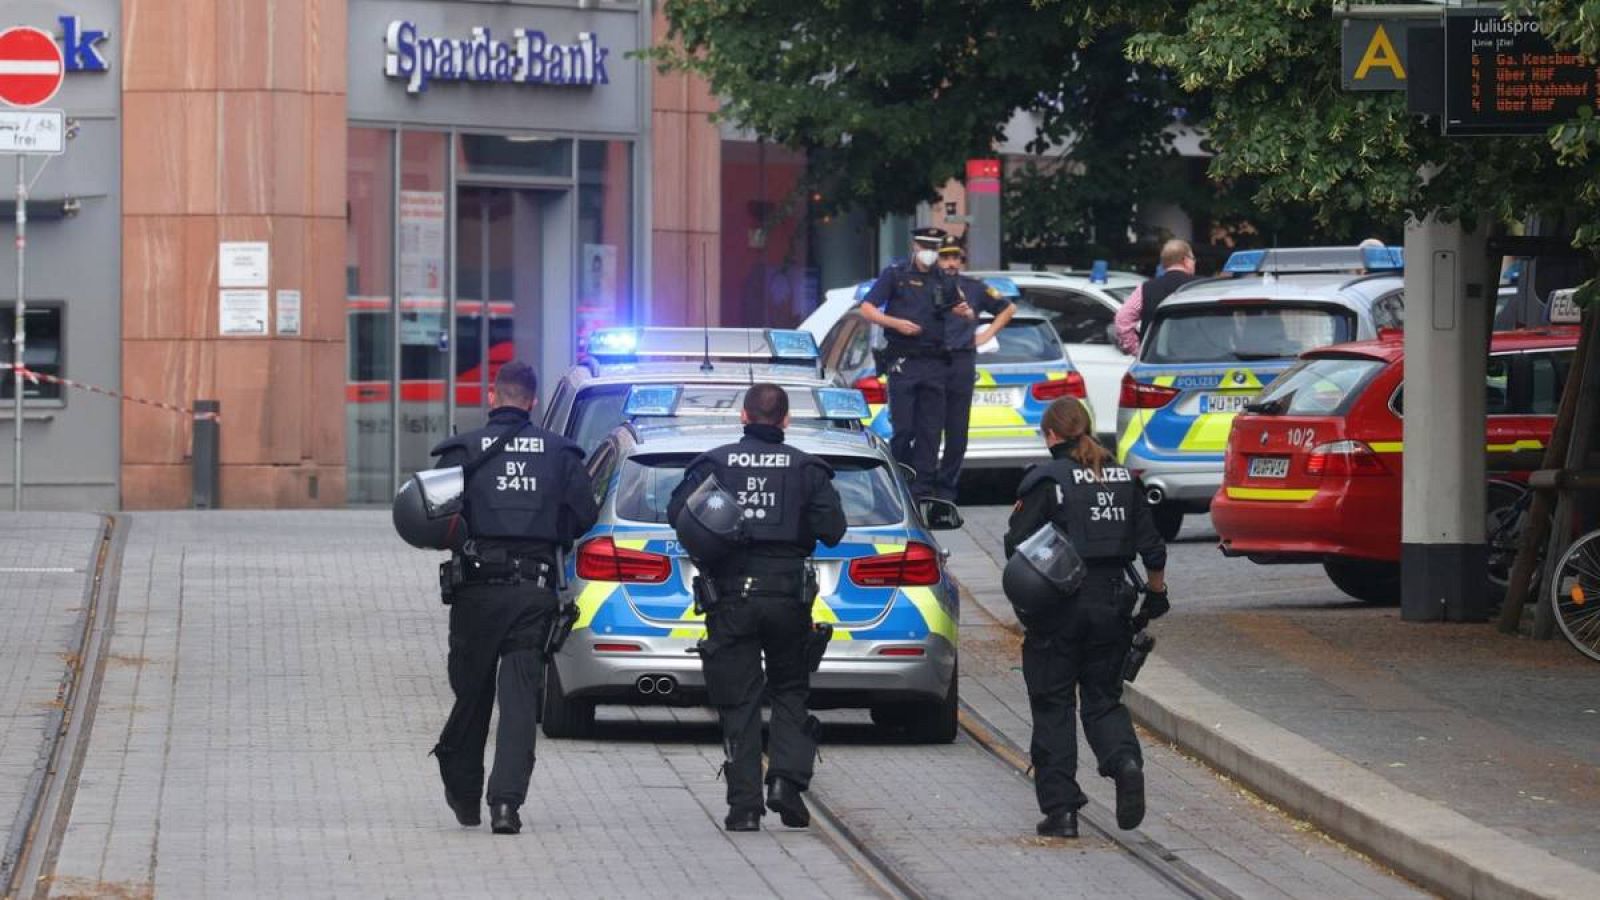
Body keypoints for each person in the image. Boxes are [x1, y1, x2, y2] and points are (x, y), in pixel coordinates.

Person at [427, 361, 599, 835]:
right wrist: (549, 532)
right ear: (534, 402)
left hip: (476, 592)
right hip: (532, 589)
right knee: (521, 698)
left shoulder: (464, 449)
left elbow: (433, 513)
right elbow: (584, 515)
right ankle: (506, 805)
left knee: (472, 693)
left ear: (492, 396)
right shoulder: (561, 453)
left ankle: (464, 795)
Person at [667, 384, 847, 833]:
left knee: (739, 700)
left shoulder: (715, 464)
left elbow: (677, 514)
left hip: (731, 598)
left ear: (743, 417)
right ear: (785, 420)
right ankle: (786, 782)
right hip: (788, 598)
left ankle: (744, 806)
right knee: (789, 689)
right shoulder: (807, 468)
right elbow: (834, 530)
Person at [1003, 397, 1168, 838]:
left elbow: (1017, 545)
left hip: (1058, 608)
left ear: (1052, 435)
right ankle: (1125, 761)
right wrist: (1156, 596)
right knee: (1103, 698)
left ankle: (1062, 811)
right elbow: (1152, 547)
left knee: (1053, 705)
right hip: (1114, 605)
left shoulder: (1046, 480)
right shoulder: (1122, 478)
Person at [858, 227, 958, 499]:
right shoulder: (896, 274)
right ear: (914, 246)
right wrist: (896, 324)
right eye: (924, 245)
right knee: (903, 429)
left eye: (934, 247)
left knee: (930, 430)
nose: (929, 252)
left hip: (934, 362)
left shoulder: (944, 280)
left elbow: (959, 309)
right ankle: (901, 477)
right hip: (903, 361)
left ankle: (923, 488)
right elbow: (867, 308)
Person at [935, 235, 1016, 500]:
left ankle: (947, 490)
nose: (950, 263)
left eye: (954, 257)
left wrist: (986, 335)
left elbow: (1007, 309)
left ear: (961, 259)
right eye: (945, 257)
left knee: (957, 431)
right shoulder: (926, 286)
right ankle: (923, 488)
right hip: (930, 361)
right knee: (929, 428)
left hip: (961, 361)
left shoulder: (974, 288)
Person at [1137, 239, 1199, 341]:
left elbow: (1123, 319)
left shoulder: (1146, 288)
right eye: (1193, 259)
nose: (1194, 262)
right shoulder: (1202, 287)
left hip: (1157, 354)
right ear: (1185, 260)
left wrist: (1138, 350)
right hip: (1203, 353)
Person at [1112, 282, 1145, 356]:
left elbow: (1123, 319)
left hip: (1156, 357)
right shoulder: (1144, 289)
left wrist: (1136, 350)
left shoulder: (1147, 289)